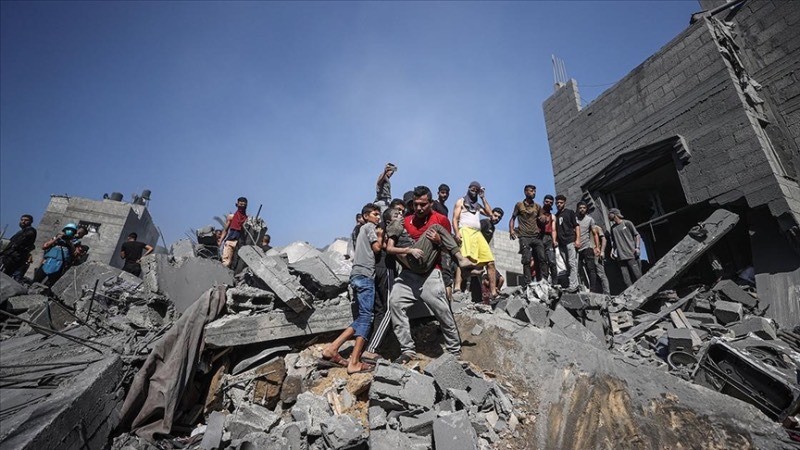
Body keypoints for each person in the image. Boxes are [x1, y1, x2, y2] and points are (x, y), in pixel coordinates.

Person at [389, 186, 462, 364]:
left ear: (431, 203)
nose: (419, 208)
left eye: (423, 204)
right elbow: (394, 249)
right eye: (416, 204)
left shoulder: (440, 220)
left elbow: (448, 251)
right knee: (395, 302)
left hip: (431, 271)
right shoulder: (405, 222)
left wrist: (439, 243)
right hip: (409, 274)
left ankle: (455, 350)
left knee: (442, 309)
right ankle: (407, 350)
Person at [321, 203, 382, 374]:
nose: (378, 217)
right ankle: (354, 362)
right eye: (375, 214)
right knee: (367, 319)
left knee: (362, 317)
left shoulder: (360, 230)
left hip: (356, 275)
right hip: (365, 276)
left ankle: (332, 348)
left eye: (378, 214)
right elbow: (377, 248)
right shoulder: (370, 227)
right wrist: (381, 235)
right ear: (366, 216)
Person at [453, 181, 498, 298]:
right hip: (465, 231)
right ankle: (457, 287)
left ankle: (493, 292)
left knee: (490, 262)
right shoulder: (461, 201)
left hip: (477, 234)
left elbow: (490, 214)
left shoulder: (478, 206)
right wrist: (457, 232)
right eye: (472, 189)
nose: (474, 191)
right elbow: (454, 218)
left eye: (476, 190)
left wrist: (483, 197)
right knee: (463, 259)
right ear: (468, 188)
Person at [509, 185, 545, 285]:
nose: (534, 192)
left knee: (542, 258)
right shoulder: (519, 205)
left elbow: (542, 217)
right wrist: (511, 230)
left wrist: (543, 219)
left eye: (535, 191)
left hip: (536, 236)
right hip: (524, 236)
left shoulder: (538, 206)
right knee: (526, 260)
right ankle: (528, 283)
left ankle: (543, 281)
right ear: (525, 192)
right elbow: (512, 218)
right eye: (532, 191)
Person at [609, 208, 642, 287]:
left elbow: (637, 235)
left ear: (615, 214)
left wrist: (637, 247)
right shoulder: (612, 228)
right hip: (620, 257)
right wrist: (612, 250)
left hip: (631, 254)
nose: (608, 216)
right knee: (626, 280)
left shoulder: (627, 223)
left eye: (609, 214)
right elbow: (614, 242)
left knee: (638, 276)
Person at [555, 195, 580, 292]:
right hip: (561, 243)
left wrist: (578, 240)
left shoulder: (570, 212)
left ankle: (574, 285)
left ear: (564, 203)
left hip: (570, 240)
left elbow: (576, 226)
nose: (558, 204)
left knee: (572, 262)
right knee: (567, 265)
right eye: (557, 203)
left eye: (560, 202)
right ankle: (572, 284)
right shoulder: (556, 216)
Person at [1, 214, 37, 280]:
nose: (23, 221)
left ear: (31, 221)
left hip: (14, 257)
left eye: (26, 220)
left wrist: (15, 248)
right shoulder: (22, 231)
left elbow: (21, 242)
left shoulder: (30, 230)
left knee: (4, 276)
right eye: (22, 220)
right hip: (10, 255)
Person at [575, 201, 600, 292]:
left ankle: (593, 289)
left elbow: (595, 233)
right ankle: (582, 288)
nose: (582, 209)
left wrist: (597, 247)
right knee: (578, 270)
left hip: (587, 247)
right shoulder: (574, 219)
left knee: (591, 268)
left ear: (586, 209)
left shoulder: (590, 219)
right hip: (576, 248)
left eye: (584, 208)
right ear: (577, 209)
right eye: (580, 207)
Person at [220, 197, 248, 267]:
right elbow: (225, 230)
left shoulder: (247, 219)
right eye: (240, 204)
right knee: (226, 263)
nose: (242, 207)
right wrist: (220, 241)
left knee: (235, 265)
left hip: (240, 244)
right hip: (230, 241)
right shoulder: (231, 217)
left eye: (244, 205)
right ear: (236, 204)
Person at [537, 195, 559, 283]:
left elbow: (553, 230)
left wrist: (554, 240)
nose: (548, 203)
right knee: (542, 261)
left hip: (548, 238)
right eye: (547, 201)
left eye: (550, 202)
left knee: (552, 261)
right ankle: (544, 281)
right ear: (543, 201)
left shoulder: (552, 216)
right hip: (539, 238)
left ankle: (555, 282)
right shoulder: (538, 212)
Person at [594, 224, 611, 295]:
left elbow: (604, 240)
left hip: (597, 254)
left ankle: (607, 293)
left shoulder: (596, 228)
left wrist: (602, 251)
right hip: (589, 254)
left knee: (601, 274)